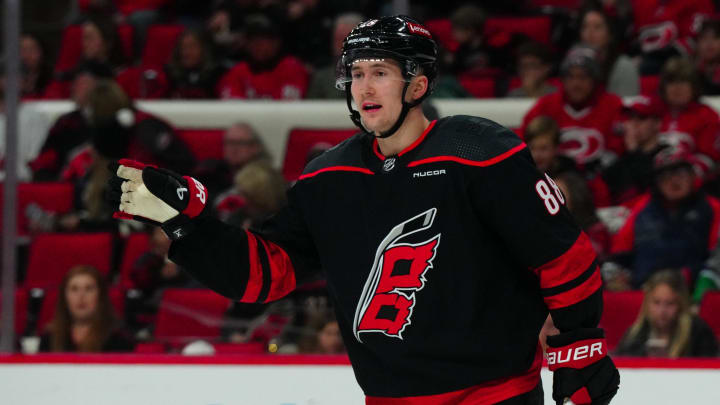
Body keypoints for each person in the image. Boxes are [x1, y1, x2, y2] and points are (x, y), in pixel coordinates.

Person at [108, 16, 619, 405]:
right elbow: (267, 273)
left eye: (380, 73)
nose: (365, 88)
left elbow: (561, 254)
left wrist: (581, 342)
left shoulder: (480, 153)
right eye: (356, 74)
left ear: (417, 85)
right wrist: (184, 225)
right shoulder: (327, 178)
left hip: (494, 396)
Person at [609, 147, 720, 289]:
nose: (673, 181)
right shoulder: (643, 207)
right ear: (657, 183)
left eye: (680, 173)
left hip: (690, 291)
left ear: (693, 175)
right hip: (644, 289)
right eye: (665, 176)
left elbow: (715, 260)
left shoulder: (712, 207)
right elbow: (620, 253)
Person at [522, 44, 624, 173]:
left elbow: (618, 150)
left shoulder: (613, 105)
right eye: (570, 77)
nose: (576, 84)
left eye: (582, 77)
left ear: (595, 79)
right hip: (553, 179)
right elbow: (523, 142)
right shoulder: (545, 105)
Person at [615, 270, 718, 357]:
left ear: (681, 304)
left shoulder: (698, 332)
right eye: (656, 302)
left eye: (670, 304)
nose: (662, 311)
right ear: (647, 303)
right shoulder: (635, 333)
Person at [39, 265, 134, 353]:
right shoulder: (49, 338)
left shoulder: (118, 338)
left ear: (101, 296)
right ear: (64, 297)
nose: (81, 296)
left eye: (89, 289)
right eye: (74, 289)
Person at [602, 96, 668, 205]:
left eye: (641, 118)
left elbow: (652, 186)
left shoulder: (667, 154)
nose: (634, 125)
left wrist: (634, 151)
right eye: (630, 118)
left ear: (657, 124)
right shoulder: (622, 157)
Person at [657, 57, 720, 163]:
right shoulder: (652, 112)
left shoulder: (707, 116)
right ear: (664, 87)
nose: (677, 88)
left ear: (694, 87)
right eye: (672, 82)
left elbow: (709, 159)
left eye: (683, 82)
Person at [577, 5, 639, 96]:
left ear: (610, 35)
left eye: (597, 27)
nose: (589, 33)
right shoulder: (574, 65)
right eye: (585, 27)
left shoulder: (624, 66)